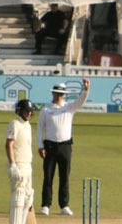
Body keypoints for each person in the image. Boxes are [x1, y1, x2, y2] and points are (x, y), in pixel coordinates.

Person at [37, 78, 91, 216]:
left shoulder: (69, 107)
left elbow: (81, 101)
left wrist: (85, 89)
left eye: (60, 93)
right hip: (49, 146)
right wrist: (40, 146)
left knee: (64, 177)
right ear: (53, 93)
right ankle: (45, 205)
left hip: (65, 146)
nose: (58, 95)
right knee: (48, 177)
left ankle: (64, 205)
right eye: (56, 93)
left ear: (64, 94)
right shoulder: (46, 109)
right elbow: (39, 129)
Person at [6, 98, 35, 224]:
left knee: (29, 198)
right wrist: (12, 164)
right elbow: (9, 144)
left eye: (30, 111)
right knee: (18, 197)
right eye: (26, 111)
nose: (29, 114)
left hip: (28, 164)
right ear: (19, 111)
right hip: (18, 165)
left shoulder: (28, 125)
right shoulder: (14, 123)